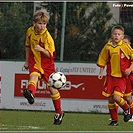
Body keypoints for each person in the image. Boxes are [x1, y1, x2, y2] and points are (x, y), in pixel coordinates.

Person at [23, 9, 64, 125]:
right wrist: (26, 61)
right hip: (34, 61)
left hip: (47, 65)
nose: (42, 26)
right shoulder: (30, 31)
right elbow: (27, 46)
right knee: (33, 77)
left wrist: (42, 50)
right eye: (40, 23)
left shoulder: (47, 37)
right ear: (34, 23)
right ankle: (30, 93)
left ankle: (59, 112)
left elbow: (51, 55)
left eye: (44, 24)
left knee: (52, 89)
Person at [97, 25, 133, 126]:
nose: (117, 36)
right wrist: (101, 72)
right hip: (110, 77)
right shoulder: (107, 47)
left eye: (119, 34)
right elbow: (103, 59)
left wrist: (130, 68)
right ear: (111, 35)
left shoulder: (125, 46)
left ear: (122, 36)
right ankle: (114, 120)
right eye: (115, 34)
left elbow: (132, 56)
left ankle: (126, 109)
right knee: (111, 100)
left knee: (117, 97)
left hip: (121, 78)